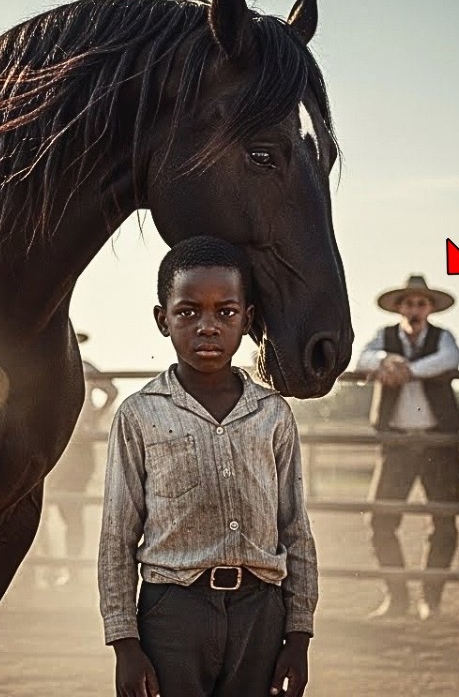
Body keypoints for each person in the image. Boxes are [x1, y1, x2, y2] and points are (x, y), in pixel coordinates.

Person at [98, 236, 316, 697]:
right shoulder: (140, 414)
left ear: (248, 319)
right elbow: (118, 535)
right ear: (163, 319)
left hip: (261, 610)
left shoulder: (273, 414)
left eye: (226, 312)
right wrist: (124, 643)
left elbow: (294, 526)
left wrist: (298, 636)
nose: (208, 327)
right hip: (172, 611)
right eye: (188, 311)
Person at [355, 274, 459, 621]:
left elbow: (448, 359)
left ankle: (431, 599)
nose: (415, 309)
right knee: (381, 521)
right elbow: (362, 359)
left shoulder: (442, 337)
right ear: (399, 308)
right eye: (409, 303)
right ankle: (397, 597)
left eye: (421, 303)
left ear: (430, 308)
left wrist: (407, 370)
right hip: (397, 442)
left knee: (443, 522)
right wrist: (387, 359)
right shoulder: (384, 340)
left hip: (437, 442)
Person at [39, 331, 118, 587]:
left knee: (66, 508)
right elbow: (112, 390)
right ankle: (53, 569)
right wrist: (95, 414)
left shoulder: (75, 367)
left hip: (68, 446)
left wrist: (94, 414)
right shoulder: (63, 367)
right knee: (51, 509)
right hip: (60, 444)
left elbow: (112, 390)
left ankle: (65, 570)